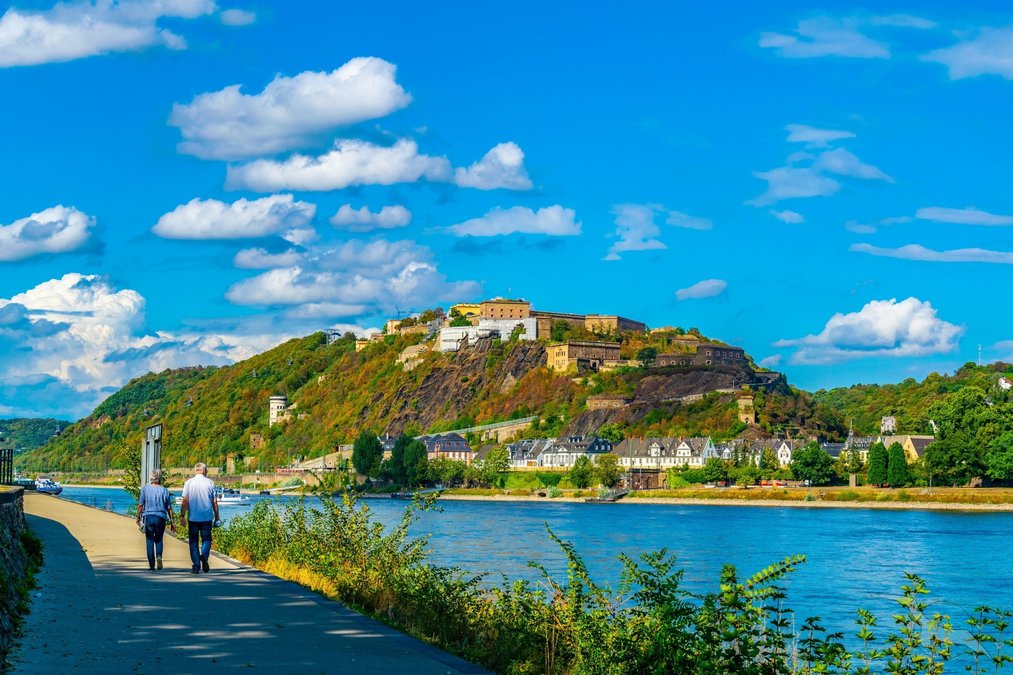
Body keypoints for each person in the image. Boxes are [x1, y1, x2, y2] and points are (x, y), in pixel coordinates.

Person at [179, 462, 220, 574]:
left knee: (193, 542)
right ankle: (205, 557)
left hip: (193, 518)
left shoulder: (188, 483)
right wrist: (217, 517)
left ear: (196, 470)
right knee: (206, 539)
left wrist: (182, 515)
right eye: (206, 471)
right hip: (207, 517)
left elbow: (185, 501)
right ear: (203, 470)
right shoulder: (210, 483)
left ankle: (196, 566)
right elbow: (214, 502)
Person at [136, 469, 175, 570]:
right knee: (159, 539)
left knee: (149, 540)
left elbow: (140, 505)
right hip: (161, 517)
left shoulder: (145, 489)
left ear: (151, 478)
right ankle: (159, 556)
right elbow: (169, 508)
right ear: (160, 478)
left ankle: (152, 565)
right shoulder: (165, 490)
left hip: (148, 517)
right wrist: (172, 521)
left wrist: (138, 517)